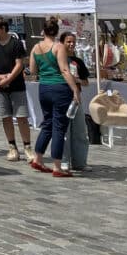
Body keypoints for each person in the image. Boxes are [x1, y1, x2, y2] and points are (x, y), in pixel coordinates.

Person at [29, 18, 82, 177]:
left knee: (47, 124)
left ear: (43, 31)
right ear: (57, 32)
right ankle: (57, 167)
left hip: (43, 88)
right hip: (59, 89)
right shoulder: (59, 47)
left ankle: (38, 158)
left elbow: (32, 71)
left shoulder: (35, 48)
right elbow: (65, 70)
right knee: (59, 127)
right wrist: (75, 90)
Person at [0, 17, 34, 162]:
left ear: (3, 28)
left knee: (21, 116)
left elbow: (20, 63)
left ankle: (27, 147)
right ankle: (12, 147)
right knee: (5, 117)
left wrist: (9, 78)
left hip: (16, 85)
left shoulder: (16, 43)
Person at [60, 32, 90, 172]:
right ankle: (64, 161)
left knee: (79, 132)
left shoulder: (78, 61)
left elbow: (85, 82)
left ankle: (80, 161)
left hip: (76, 99)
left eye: (73, 42)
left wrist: (75, 79)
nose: (71, 44)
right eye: (68, 42)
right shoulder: (58, 59)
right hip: (62, 97)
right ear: (62, 43)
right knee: (64, 132)